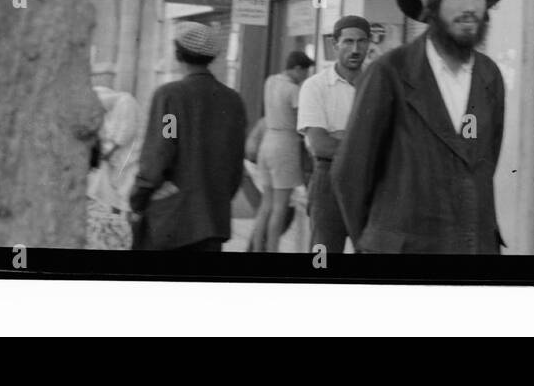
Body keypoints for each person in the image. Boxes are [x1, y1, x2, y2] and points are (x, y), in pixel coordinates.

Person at [333, 0, 510, 254]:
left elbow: (483, 162)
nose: (470, 6)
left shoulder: (488, 75)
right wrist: (377, 241)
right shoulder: (389, 72)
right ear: (430, 3)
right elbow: (350, 172)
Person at [130, 22, 247, 252]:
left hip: (171, 220)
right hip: (214, 220)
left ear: (177, 53)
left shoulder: (170, 96)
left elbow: (162, 148)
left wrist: (139, 197)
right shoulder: (233, 101)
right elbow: (235, 163)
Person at [297, 15, 371, 253]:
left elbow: (393, 141)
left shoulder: (378, 84)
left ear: (369, 44)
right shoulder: (315, 86)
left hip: (370, 181)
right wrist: (368, 143)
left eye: (361, 42)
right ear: (335, 45)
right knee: (324, 255)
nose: (355, 49)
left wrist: (341, 136)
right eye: (348, 42)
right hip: (328, 179)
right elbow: (320, 145)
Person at [247, 51, 315, 252]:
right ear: (297, 69)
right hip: (285, 146)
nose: (306, 76)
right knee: (280, 207)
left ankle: (258, 249)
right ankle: (273, 250)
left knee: (265, 206)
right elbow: (303, 119)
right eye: (305, 71)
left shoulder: (270, 81)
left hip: (267, 143)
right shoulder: (293, 90)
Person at [86, 84, 143, 250]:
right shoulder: (108, 112)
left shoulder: (125, 101)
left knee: (125, 197)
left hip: (130, 158)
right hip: (116, 161)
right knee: (110, 196)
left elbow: (125, 134)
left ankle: (122, 232)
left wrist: (108, 153)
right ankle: (114, 229)